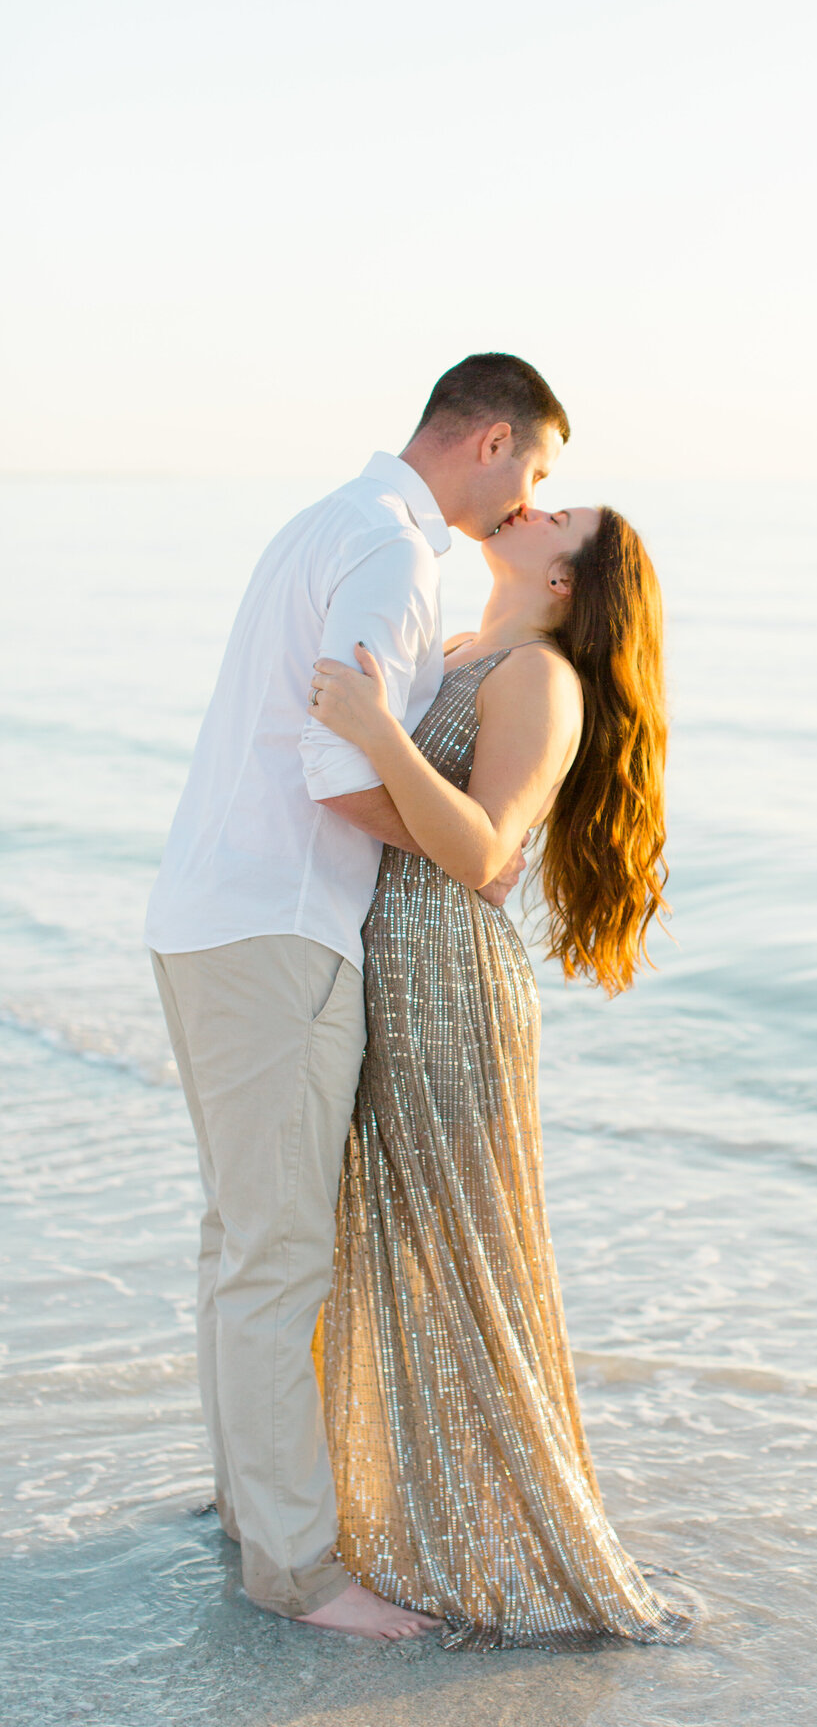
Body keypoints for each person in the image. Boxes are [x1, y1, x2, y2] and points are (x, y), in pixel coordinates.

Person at [145, 354, 568, 1639]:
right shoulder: (397, 554)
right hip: (281, 925)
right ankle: (298, 1571)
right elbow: (340, 771)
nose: (528, 500)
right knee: (275, 1259)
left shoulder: (323, 517)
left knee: (239, 1243)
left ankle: (248, 1510)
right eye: (536, 472)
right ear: (490, 440)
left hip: (205, 911)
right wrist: (464, 862)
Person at [307, 502, 694, 1648]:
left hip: (448, 982)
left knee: (459, 1260)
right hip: (386, 960)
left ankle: (508, 1546)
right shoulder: (465, 652)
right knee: (379, 1245)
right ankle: (397, 1524)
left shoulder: (539, 676)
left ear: (568, 579)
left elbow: (482, 849)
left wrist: (378, 734)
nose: (536, 503)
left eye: (560, 514)